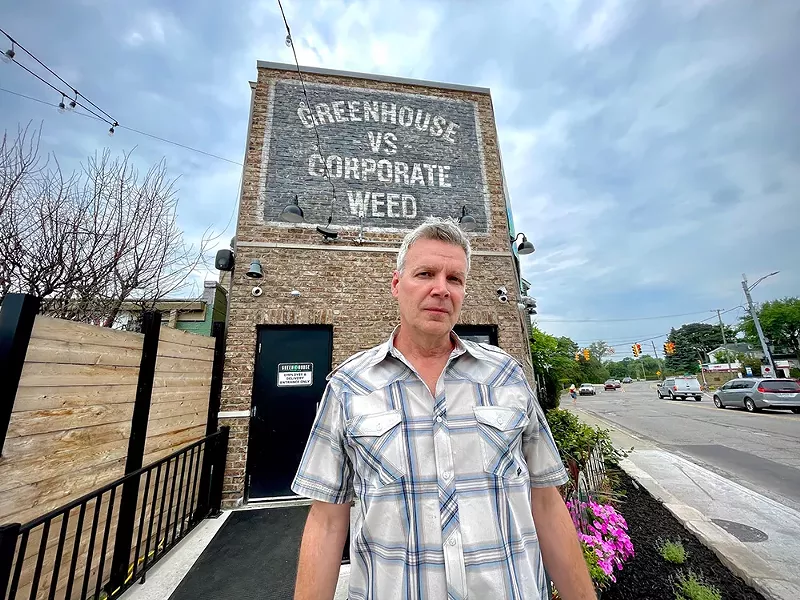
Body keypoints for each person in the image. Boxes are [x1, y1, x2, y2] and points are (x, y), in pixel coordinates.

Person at [292, 217, 595, 600]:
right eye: (425, 273)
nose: (441, 289)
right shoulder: (349, 386)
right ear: (396, 284)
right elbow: (326, 520)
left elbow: (547, 502)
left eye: (455, 279)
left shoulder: (506, 376)